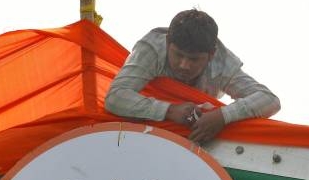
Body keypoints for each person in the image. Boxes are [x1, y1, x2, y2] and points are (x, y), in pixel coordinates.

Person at [105, 9, 280, 143]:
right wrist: (169, 110)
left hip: (198, 139)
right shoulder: (152, 48)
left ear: (211, 55)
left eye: (194, 59)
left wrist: (222, 116)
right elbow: (115, 97)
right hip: (144, 136)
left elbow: (270, 100)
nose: (184, 65)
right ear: (167, 43)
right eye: (178, 55)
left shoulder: (223, 62)